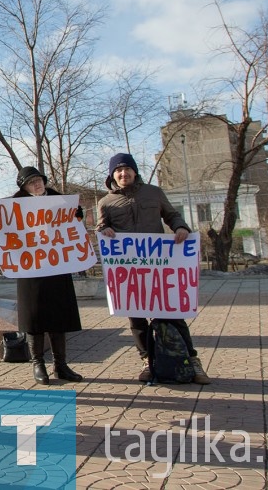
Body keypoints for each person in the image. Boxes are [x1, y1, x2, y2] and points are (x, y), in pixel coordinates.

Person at [96, 153, 211, 384]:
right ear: (112, 175)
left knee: (172, 315)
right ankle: (147, 360)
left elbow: (172, 215)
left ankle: (192, 360)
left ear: (135, 172)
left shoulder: (154, 193)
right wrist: (103, 230)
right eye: (118, 170)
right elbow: (101, 227)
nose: (123, 173)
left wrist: (181, 228)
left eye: (127, 169)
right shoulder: (105, 202)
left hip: (159, 268)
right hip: (130, 272)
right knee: (136, 319)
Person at [11, 167, 84, 385]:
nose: (37, 184)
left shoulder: (59, 201)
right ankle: (38, 364)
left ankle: (61, 365)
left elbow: (73, 225)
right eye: (31, 182)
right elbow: (1, 227)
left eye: (39, 180)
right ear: (23, 187)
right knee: (34, 318)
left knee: (58, 315)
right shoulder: (13, 206)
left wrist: (77, 215)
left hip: (56, 265)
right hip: (30, 269)